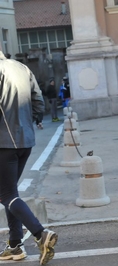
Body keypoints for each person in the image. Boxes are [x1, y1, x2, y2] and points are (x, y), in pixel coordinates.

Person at [0, 50, 58, 265]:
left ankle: (40, 234)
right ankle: (15, 245)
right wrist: (31, 121)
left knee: (6, 195)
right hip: (25, 140)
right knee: (11, 193)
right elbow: (38, 99)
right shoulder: (22, 68)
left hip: (4, 142)